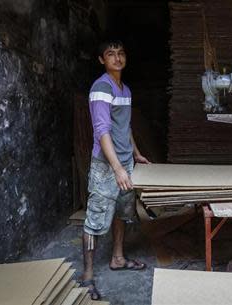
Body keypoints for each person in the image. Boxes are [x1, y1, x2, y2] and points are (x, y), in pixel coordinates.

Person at [81, 39, 149, 300]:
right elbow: (102, 131)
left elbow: (125, 126)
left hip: (125, 163)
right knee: (95, 218)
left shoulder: (125, 89)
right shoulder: (101, 88)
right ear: (101, 60)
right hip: (106, 166)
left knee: (122, 212)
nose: (117, 58)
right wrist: (118, 168)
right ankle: (87, 276)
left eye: (121, 53)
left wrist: (136, 153)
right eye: (111, 54)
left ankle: (117, 258)